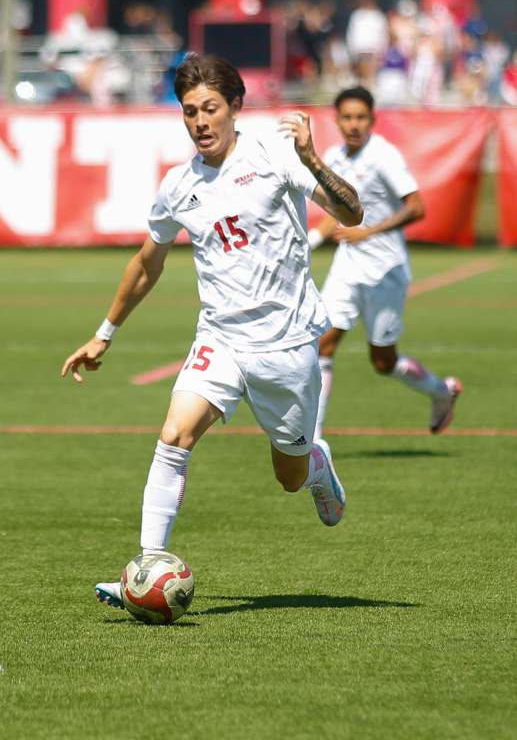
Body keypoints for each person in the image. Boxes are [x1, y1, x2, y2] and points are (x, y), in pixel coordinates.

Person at [61, 54, 364, 609]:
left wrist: (313, 159)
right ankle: (146, 568)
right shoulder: (177, 186)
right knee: (174, 435)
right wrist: (105, 331)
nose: (199, 121)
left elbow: (351, 212)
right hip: (219, 337)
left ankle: (316, 463)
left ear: (236, 108)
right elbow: (147, 262)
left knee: (288, 476)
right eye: (189, 112)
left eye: (210, 109)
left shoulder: (276, 156)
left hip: (287, 344)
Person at [308, 85, 462, 440]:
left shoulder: (384, 156)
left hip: (385, 271)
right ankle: (312, 442)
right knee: (322, 345)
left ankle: (441, 391)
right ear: (338, 120)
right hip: (347, 266)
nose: (354, 124)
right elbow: (335, 214)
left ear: (372, 120)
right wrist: (313, 240)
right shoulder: (334, 157)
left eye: (361, 117)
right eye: (347, 117)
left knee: (383, 362)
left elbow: (417, 207)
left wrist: (370, 231)